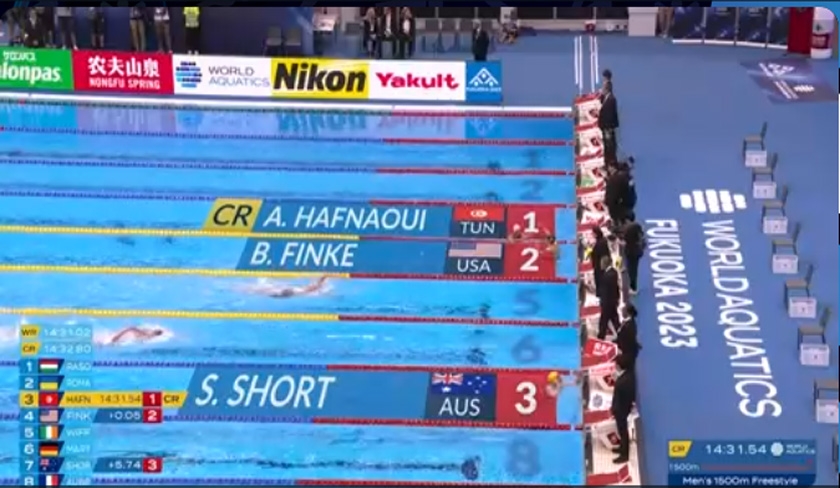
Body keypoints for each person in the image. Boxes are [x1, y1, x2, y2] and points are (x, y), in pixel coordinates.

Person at [610, 354, 636, 464]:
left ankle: (624, 455)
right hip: (621, 407)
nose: (615, 366)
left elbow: (624, 397)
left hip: (621, 409)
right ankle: (622, 447)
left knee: (623, 431)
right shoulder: (627, 375)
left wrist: (615, 409)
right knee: (621, 431)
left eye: (617, 364)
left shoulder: (624, 382)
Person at [598, 255, 620, 340]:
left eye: (601, 263)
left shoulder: (607, 276)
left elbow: (606, 292)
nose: (600, 265)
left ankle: (601, 337)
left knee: (604, 320)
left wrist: (602, 302)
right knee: (614, 319)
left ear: (605, 264)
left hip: (607, 303)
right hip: (613, 300)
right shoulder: (614, 272)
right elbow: (616, 287)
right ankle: (620, 332)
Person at [621, 215, 644, 294]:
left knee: (632, 270)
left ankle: (633, 288)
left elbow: (624, 239)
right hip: (636, 251)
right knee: (634, 269)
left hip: (630, 251)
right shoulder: (637, 226)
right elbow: (641, 235)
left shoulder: (627, 229)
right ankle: (633, 287)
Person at [245, 276, 329, 298]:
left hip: (281, 293)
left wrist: (322, 279)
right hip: (283, 293)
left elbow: (314, 287)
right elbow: (314, 287)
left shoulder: (301, 291)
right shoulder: (301, 291)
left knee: (258, 289)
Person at [598, 84, 619, 162]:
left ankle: (611, 161)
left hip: (608, 127)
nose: (602, 90)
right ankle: (609, 161)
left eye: (603, 89)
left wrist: (607, 127)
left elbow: (609, 115)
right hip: (606, 127)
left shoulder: (611, 99)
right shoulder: (607, 98)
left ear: (607, 89)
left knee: (609, 145)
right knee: (608, 144)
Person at [589, 227, 610, 298]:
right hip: (601, 264)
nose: (592, 235)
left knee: (599, 280)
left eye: (593, 233)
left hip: (599, 265)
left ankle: (601, 294)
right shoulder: (602, 241)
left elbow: (599, 254)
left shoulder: (600, 243)